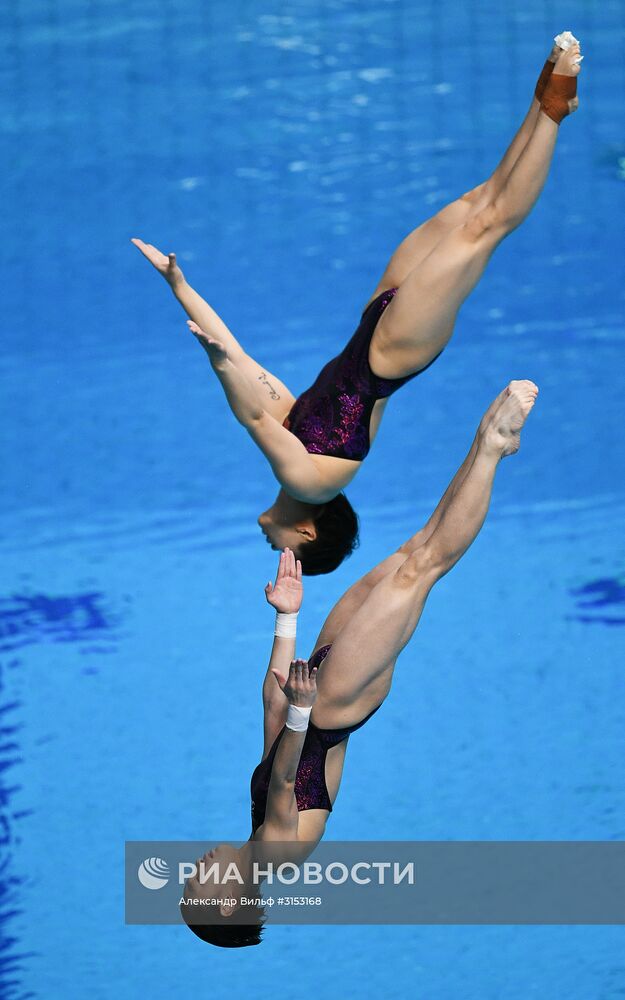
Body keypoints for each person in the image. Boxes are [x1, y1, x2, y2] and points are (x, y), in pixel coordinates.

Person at [133, 38, 580, 575]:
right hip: (395, 350)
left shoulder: (301, 453)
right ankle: (553, 113)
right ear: (307, 532)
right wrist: (218, 365)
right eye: (284, 553)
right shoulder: (307, 480)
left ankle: (546, 102)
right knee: (485, 228)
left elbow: (242, 360)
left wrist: (179, 286)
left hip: (379, 322)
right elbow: (250, 412)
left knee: (476, 204)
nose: (273, 549)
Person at [180, 378, 539, 946]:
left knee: (409, 554)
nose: (192, 872)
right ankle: (492, 444)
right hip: (335, 701)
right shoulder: (277, 858)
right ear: (228, 904)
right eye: (195, 889)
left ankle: (490, 446)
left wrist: (287, 619)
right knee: (419, 571)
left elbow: (271, 715)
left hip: (315, 686)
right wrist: (302, 710)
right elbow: (283, 776)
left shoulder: (255, 839)